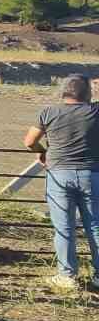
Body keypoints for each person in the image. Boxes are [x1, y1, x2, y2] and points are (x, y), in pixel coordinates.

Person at [22, 75, 99, 292]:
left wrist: (43, 153)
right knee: (95, 227)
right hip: (92, 175)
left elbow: (29, 141)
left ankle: (67, 276)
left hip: (59, 176)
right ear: (88, 94)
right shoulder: (95, 111)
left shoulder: (49, 112)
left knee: (64, 228)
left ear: (63, 92)